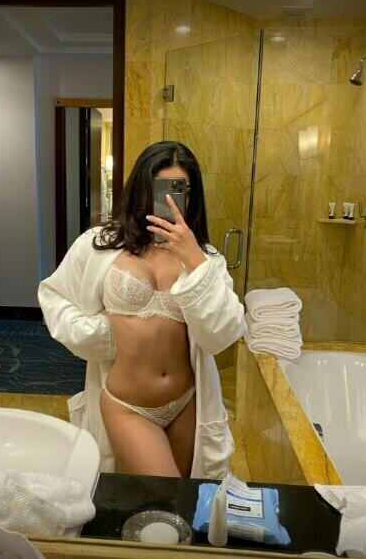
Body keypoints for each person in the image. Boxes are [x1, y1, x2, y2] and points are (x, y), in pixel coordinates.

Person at [38, 141, 246, 479]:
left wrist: (194, 260)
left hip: (186, 401)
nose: (169, 201)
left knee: (181, 500)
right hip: (128, 405)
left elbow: (221, 335)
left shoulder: (205, 259)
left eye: (180, 190)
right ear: (141, 188)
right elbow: (55, 296)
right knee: (165, 495)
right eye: (160, 189)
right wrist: (104, 336)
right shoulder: (100, 244)